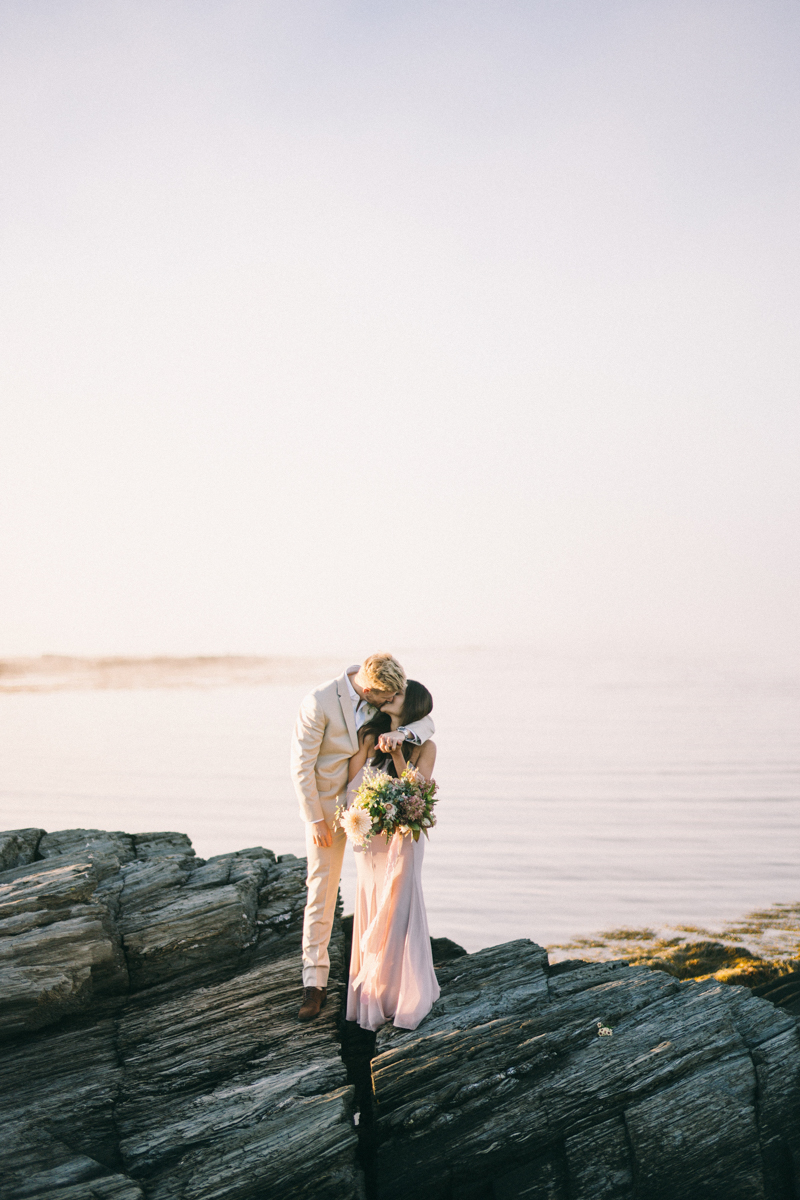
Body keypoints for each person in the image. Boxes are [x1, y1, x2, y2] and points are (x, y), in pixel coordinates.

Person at [290, 654, 434, 1021]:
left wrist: (402, 734)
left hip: (369, 809)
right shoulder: (319, 702)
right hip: (326, 811)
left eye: (393, 698)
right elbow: (301, 766)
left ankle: (387, 979)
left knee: (380, 892)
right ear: (370, 690)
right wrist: (315, 820)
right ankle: (314, 983)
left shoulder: (384, 691)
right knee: (321, 888)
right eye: (385, 698)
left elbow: (424, 716)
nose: (388, 703)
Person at [345, 680, 441, 1031]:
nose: (389, 697)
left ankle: (405, 995)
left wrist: (400, 750)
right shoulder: (369, 737)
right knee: (372, 904)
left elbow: (415, 792)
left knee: (400, 909)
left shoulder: (425, 747)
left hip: (403, 838)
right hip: (369, 840)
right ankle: (373, 997)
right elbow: (350, 782)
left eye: (397, 695)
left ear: (410, 704)